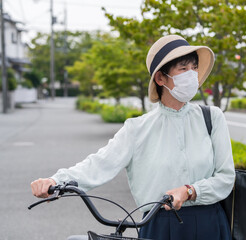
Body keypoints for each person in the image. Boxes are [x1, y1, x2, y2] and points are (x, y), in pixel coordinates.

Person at [31, 35, 235, 240]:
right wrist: (56, 180)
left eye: (194, 68)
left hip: (210, 223)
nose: (191, 75)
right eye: (183, 69)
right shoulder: (137, 129)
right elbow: (99, 164)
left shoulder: (212, 118)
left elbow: (226, 178)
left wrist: (190, 191)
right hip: (159, 225)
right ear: (160, 78)